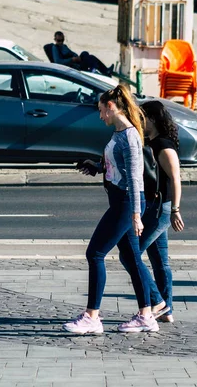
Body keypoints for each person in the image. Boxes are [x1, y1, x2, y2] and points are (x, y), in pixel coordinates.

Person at [63, 84, 159, 334]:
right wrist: (98, 167)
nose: (100, 115)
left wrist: (136, 216)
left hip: (126, 203)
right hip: (121, 200)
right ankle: (146, 315)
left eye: (102, 110)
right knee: (132, 257)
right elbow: (119, 169)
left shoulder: (128, 135)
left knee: (94, 254)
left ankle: (92, 318)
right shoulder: (120, 133)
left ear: (112, 107)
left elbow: (136, 179)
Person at [118, 100, 184, 324]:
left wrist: (175, 209)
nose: (139, 122)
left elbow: (175, 178)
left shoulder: (163, 145)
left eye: (142, 118)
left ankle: (158, 302)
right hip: (154, 207)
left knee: (129, 255)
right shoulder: (149, 142)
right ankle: (167, 310)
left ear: (153, 120)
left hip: (159, 210)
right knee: (159, 261)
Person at [49, 31, 114, 76]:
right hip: (72, 66)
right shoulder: (55, 48)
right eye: (59, 40)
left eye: (62, 40)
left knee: (86, 54)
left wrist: (76, 57)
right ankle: (96, 70)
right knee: (87, 56)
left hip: (75, 62)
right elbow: (58, 61)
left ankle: (104, 70)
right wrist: (72, 59)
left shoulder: (64, 46)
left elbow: (72, 53)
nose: (60, 42)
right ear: (55, 39)